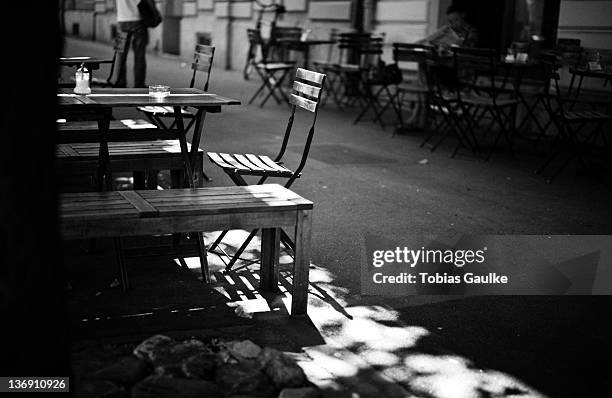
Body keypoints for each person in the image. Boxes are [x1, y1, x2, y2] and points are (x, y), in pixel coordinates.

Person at [115, 0, 148, 88]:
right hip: (138, 20)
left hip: (121, 20)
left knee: (120, 54)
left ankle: (119, 82)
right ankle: (139, 84)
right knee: (139, 55)